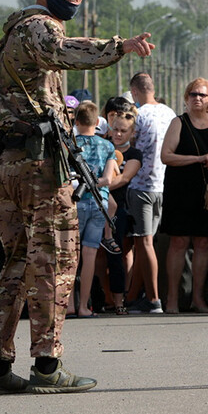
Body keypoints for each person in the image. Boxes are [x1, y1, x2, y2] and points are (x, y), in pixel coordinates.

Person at [0, 0, 155, 396]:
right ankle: (47, 365)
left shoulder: (15, 33)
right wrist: (120, 47)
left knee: (18, 262)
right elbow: (65, 51)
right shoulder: (40, 27)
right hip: (36, 166)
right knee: (56, 260)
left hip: (9, 162)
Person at [159, 77, 208, 314]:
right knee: (178, 242)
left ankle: (198, 298)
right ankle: (172, 300)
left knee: (202, 242)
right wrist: (197, 159)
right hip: (180, 189)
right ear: (186, 98)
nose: (197, 99)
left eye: (202, 95)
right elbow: (166, 156)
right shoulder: (179, 122)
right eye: (193, 95)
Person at [125, 72, 176, 315]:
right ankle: (134, 295)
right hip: (163, 184)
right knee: (142, 239)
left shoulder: (139, 115)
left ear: (134, 92)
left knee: (144, 242)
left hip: (141, 184)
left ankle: (154, 299)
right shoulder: (169, 112)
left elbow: (129, 146)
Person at [70, 101, 117, 317]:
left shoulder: (70, 145)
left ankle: (70, 303)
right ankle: (84, 307)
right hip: (100, 203)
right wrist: (94, 183)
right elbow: (108, 178)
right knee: (90, 254)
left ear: (76, 122)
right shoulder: (108, 147)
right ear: (97, 122)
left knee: (70, 254)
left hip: (75, 202)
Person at [104, 104, 142, 315]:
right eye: (115, 129)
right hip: (93, 204)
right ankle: (98, 298)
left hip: (117, 208)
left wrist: (96, 184)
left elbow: (124, 178)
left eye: (123, 130)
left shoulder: (135, 154)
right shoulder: (102, 147)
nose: (118, 134)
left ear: (132, 132)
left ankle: (119, 301)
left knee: (115, 253)